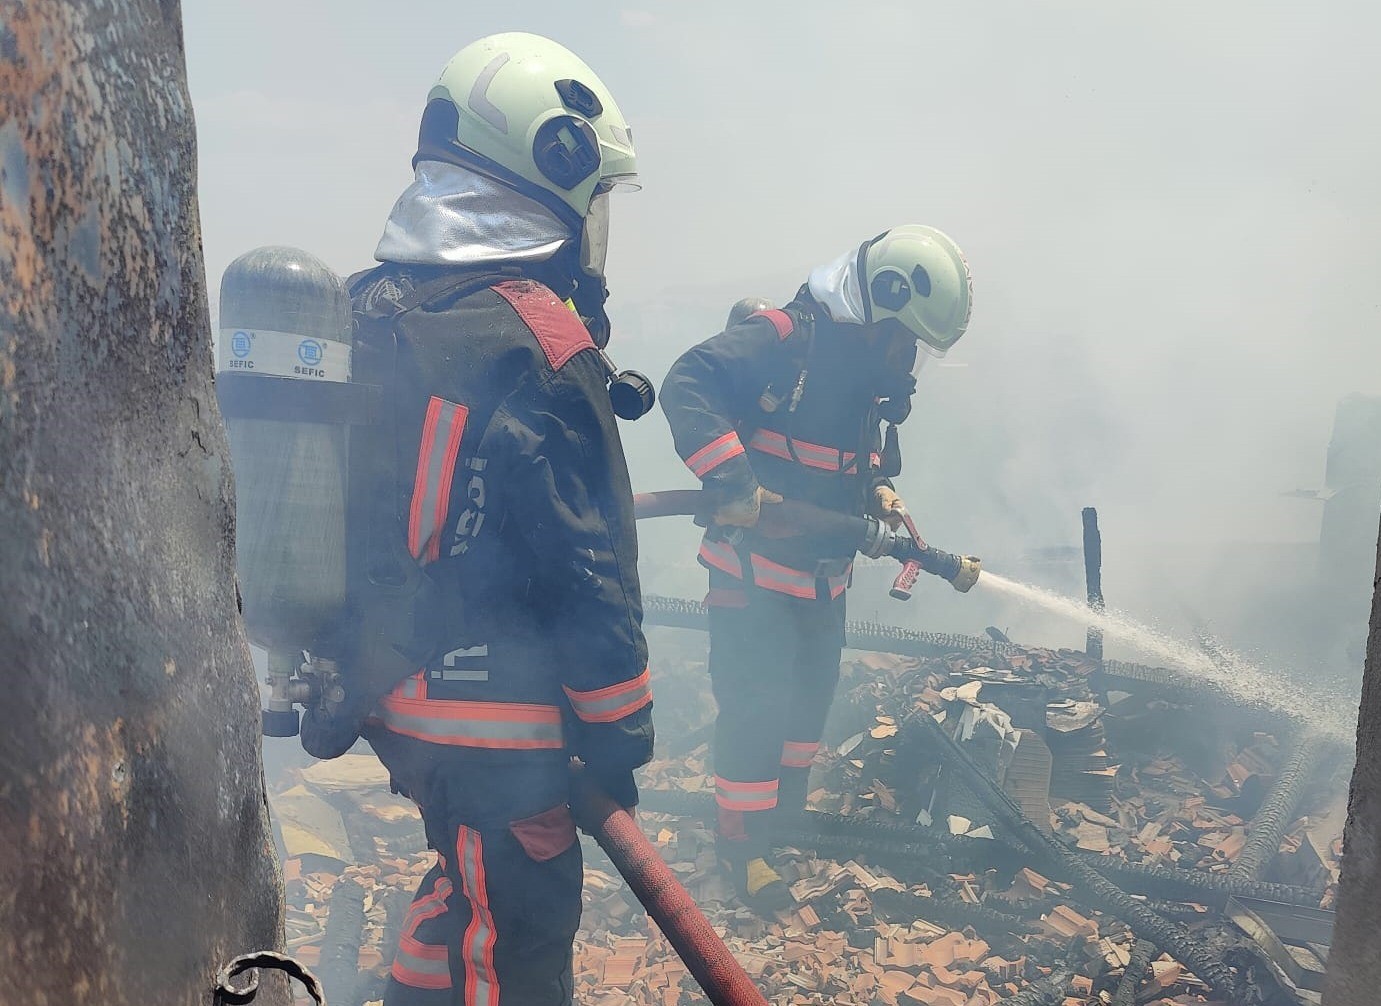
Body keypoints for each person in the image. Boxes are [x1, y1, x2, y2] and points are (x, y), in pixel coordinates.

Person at [340, 33, 654, 1005]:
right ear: (550, 176)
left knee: (463, 888)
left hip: (391, 691)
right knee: (519, 936)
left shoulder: (378, 307)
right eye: (591, 200)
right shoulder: (540, 345)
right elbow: (585, 569)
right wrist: (619, 731)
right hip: (497, 724)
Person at [659, 226, 978, 914]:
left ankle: (781, 826)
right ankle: (741, 850)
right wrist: (731, 478)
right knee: (755, 711)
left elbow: (832, 459)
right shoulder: (785, 337)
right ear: (881, 308)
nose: (908, 359)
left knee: (805, 711)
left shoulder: (859, 372)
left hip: (822, 581)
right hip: (752, 577)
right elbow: (688, 379)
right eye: (906, 341)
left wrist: (874, 494)